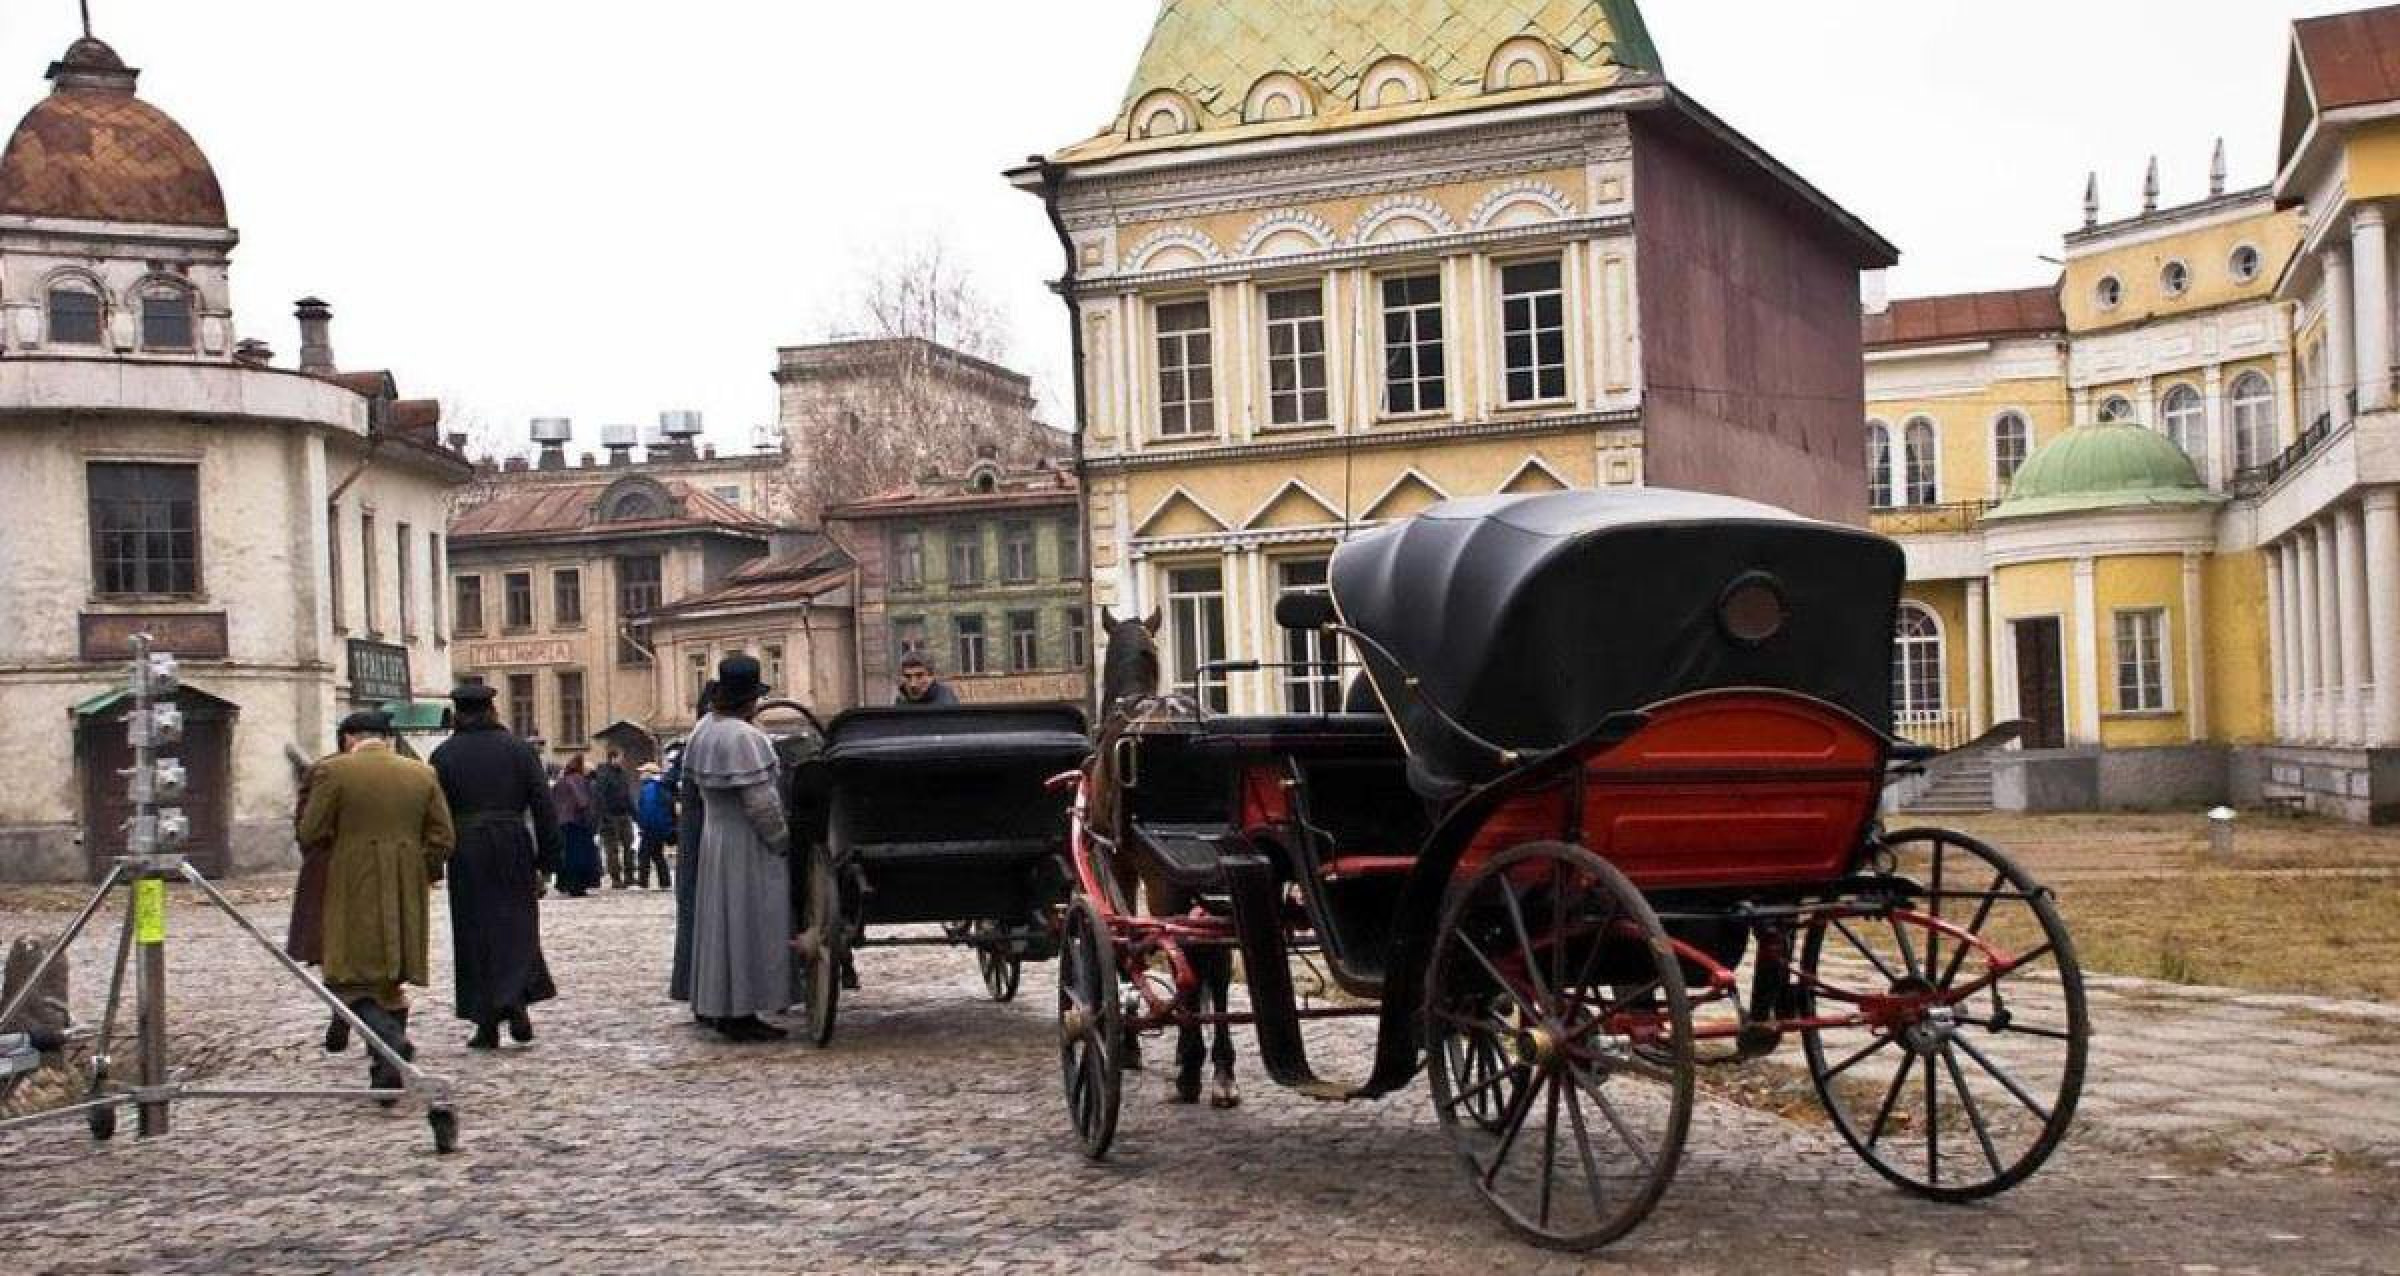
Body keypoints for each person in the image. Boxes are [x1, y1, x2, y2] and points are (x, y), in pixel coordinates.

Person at [296, 710, 455, 1094]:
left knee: (348, 973)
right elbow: (443, 836)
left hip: (351, 880)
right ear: (387, 739)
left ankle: (389, 1042)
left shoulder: (333, 772)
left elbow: (311, 831)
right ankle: (387, 1066)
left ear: (350, 738)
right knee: (390, 978)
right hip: (406, 882)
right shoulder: (422, 774)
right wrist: (420, 870)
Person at [429, 683, 563, 1051]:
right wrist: (548, 860)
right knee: (517, 927)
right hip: (511, 844)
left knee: (473, 932)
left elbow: (435, 812)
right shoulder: (519, 751)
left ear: (458, 714)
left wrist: (434, 860)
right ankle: (515, 1000)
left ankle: (485, 1021)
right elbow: (543, 806)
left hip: (466, 848)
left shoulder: (444, 755)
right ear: (492, 710)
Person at [686, 656, 797, 1042]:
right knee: (747, 922)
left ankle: (719, 1002)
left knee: (719, 925)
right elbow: (761, 804)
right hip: (745, 842)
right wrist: (781, 840)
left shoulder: (704, 728)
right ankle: (742, 1008)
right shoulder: (744, 738)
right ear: (750, 700)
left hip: (715, 836)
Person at [668, 695, 709, 1010]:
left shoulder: (697, 741)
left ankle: (698, 988)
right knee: (701, 914)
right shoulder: (705, 742)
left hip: (698, 836)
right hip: (705, 839)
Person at [551, 753, 601, 896]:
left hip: (562, 823)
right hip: (577, 823)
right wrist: (590, 820)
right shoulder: (578, 780)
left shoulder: (561, 781)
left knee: (566, 855)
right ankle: (577, 886)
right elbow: (582, 801)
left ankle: (564, 883)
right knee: (578, 856)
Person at [593, 749, 637, 890]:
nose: (621, 760)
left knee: (629, 847)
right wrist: (605, 816)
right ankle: (616, 879)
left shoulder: (622, 774)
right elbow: (600, 797)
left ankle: (630, 876)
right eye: (619, 758)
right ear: (612, 758)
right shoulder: (604, 775)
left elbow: (627, 795)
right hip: (610, 817)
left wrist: (635, 814)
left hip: (624, 815)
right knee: (612, 850)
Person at [633, 761, 675, 891]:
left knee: (644, 855)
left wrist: (644, 825)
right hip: (660, 826)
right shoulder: (660, 787)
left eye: (643, 772)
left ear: (649, 773)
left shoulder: (649, 788)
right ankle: (665, 882)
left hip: (651, 827)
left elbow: (649, 809)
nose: (640, 774)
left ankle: (643, 883)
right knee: (657, 855)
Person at [893, 654, 959, 707]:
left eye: (919, 676)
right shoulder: (901, 699)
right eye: (907, 676)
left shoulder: (946, 700)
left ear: (932, 676)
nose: (913, 684)